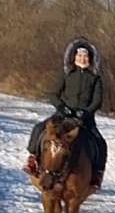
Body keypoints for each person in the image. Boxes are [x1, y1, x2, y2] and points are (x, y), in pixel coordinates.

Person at [25, 38, 107, 188]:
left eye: (86, 56)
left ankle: (96, 175)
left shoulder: (95, 78)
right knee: (38, 129)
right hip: (63, 115)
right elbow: (53, 94)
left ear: (90, 58)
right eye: (79, 55)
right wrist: (62, 107)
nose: (82, 59)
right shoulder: (66, 74)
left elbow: (97, 101)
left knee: (101, 143)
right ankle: (33, 160)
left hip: (85, 119)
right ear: (73, 57)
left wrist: (86, 112)